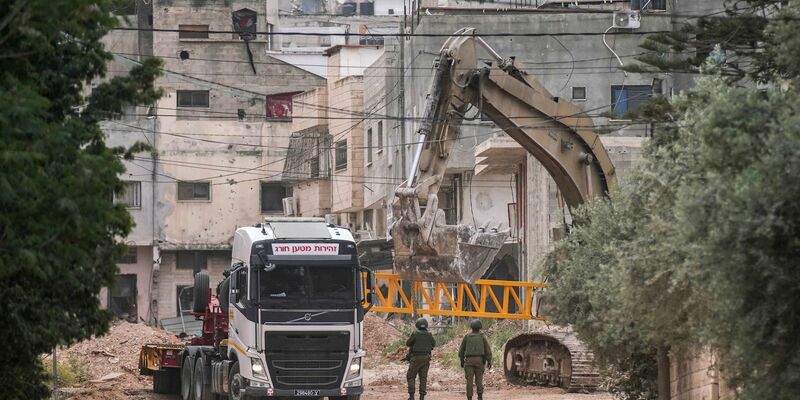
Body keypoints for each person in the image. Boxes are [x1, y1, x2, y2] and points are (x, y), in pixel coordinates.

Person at [458, 319, 492, 400]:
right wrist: (489, 361)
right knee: (479, 380)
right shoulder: (482, 337)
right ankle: (480, 397)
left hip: (469, 361)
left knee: (469, 381)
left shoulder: (467, 337)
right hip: (479, 361)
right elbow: (488, 350)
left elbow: (461, 350)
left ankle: (469, 397)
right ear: (480, 327)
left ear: (471, 327)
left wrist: (462, 360)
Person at [406, 317, 436, 400]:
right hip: (426, 358)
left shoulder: (415, 333)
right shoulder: (429, 334)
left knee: (411, 376)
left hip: (416, 358)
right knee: (423, 378)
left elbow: (408, 343)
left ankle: (412, 397)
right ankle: (422, 397)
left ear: (417, 325)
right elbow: (433, 344)